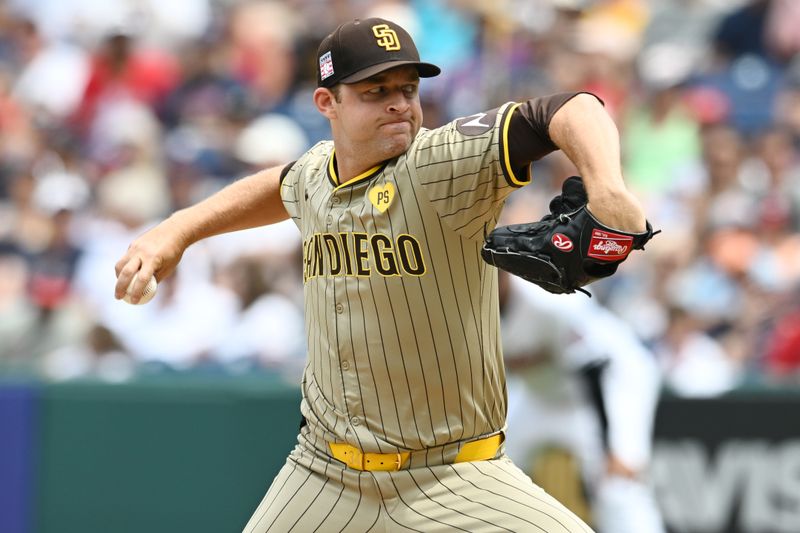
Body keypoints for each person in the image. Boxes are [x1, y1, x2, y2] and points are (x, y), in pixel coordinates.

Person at [114, 17, 647, 532]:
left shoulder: (441, 162)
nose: (399, 103)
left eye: (408, 89)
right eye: (374, 90)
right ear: (327, 102)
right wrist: (177, 231)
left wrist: (608, 188)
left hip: (455, 475)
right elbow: (280, 185)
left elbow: (566, 109)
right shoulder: (315, 177)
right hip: (323, 476)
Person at [500, 271, 665, 533]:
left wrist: (610, 446)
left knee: (617, 485)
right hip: (543, 393)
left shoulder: (550, 300)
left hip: (612, 382)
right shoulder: (462, 308)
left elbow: (593, 366)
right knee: (491, 470)